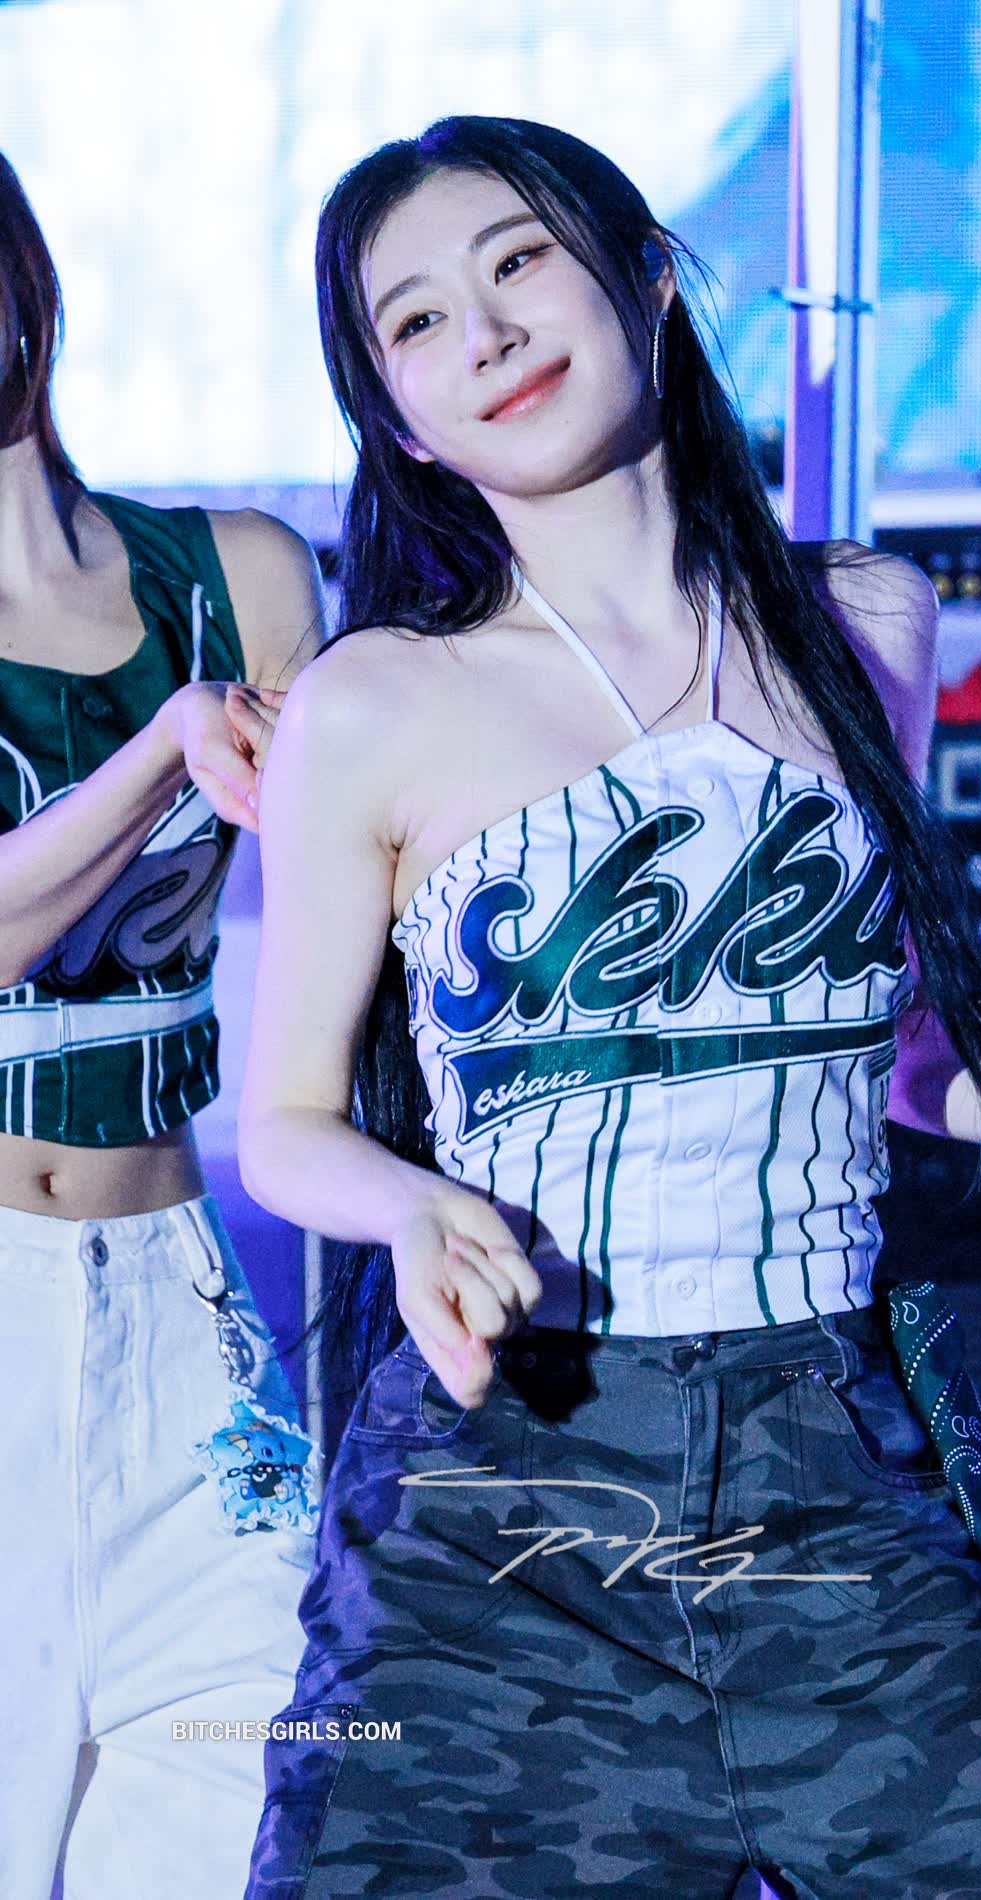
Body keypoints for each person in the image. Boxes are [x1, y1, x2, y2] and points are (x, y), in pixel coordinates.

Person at [238, 117, 981, 1898]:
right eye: (419, 321)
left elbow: (901, 1041)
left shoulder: (867, 621)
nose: (487, 329)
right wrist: (420, 1210)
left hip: (829, 1458)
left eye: (521, 262)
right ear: (399, 418)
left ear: (646, 279)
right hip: (506, 1492)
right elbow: (291, 1123)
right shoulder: (376, 701)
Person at [0, 155, 326, 1900]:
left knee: (252, 1805)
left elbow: (383, 886)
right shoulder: (195, 682)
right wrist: (161, 750)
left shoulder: (244, 576)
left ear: (25, 282)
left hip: (186, 1308)